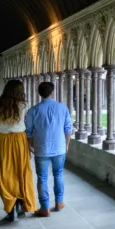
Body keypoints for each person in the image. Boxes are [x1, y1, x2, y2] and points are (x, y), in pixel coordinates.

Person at [0, 79, 37, 222]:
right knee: (21, 172)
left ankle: (10, 207)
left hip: (4, 141)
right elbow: (26, 125)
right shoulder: (23, 106)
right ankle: (20, 203)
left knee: (5, 174)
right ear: (20, 91)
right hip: (20, 140)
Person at [25, 81, 73, 217]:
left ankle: (44, 207)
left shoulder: (33, 110)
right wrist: (67, 144)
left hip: (41, 149)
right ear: (52, 92)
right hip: (59, 148)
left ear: (40, 94)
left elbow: (28, 131)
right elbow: (68, 128)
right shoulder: (62, 108)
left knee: (42, 178)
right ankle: (59, 202)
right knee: (58, 174)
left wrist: (28, 146)